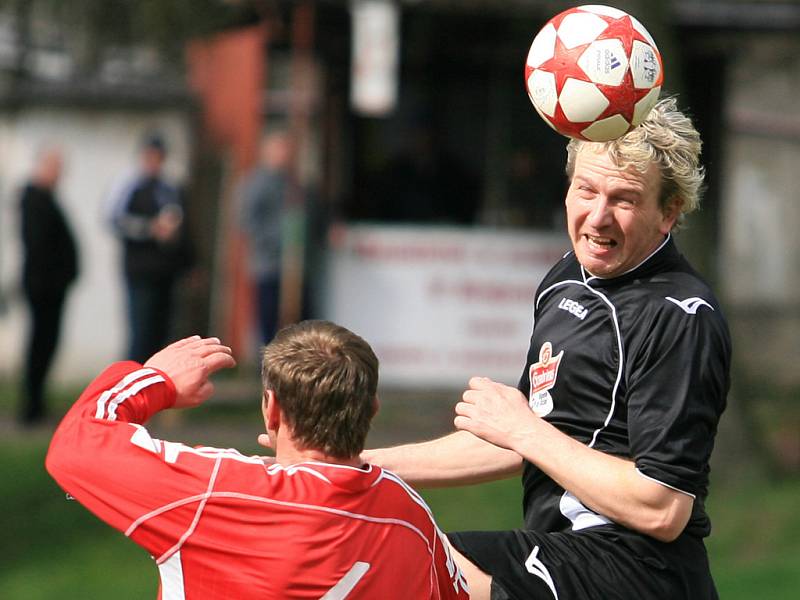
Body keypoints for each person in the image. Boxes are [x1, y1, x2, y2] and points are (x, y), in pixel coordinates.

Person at [365, 97, 732, 599]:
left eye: (623, 200)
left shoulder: (679, 316)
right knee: (394, 555)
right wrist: (354, 465)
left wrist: (524, 431)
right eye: (586, 190)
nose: (597, 217)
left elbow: (663, 508)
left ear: (668, 213)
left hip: (639, 571)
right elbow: (526, 436)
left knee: (405, 564)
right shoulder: (564, 281)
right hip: (565, 555)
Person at [46, 321, 469, 599]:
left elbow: (76, 447)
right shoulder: (410, 518)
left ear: (272, 411)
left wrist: (156, 381)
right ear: (372, 409)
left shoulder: (215, 493)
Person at [108, 132, 193, 363]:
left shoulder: (170, 189)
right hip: (140, 270)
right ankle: (131, 385)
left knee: (161, 334)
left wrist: (187, 261)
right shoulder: (130, 186)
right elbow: (115, 220)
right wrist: (150, 229)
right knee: (140, 333)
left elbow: (186, 227)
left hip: (166, 271)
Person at [19, 147, 79, 425]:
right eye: (56, 168)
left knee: (47, 344)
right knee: (40, 344)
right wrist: (54, 278)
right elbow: (40, 246)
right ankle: (31, 405)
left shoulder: (46, 200)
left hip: (52, 287)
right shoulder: (34, 201)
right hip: (43, 288)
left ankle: (37, 402)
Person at [239, 132, 293, 344]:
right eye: (280, 150)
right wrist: (274, 240)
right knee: (267, 316)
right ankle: (267, 362)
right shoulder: (256, 183)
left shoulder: (292, 183)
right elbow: (246, 220)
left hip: (292, 264)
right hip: (267, 263)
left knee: (296, 316)